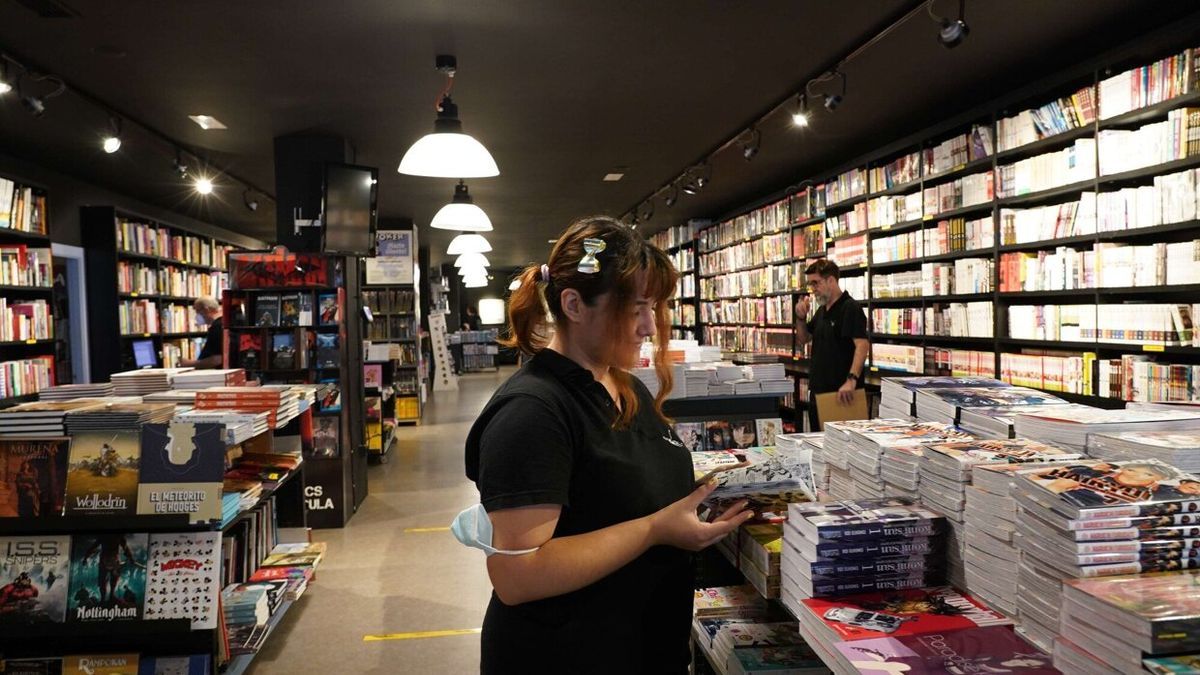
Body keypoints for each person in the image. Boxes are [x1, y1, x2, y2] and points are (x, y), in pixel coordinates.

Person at [462, 216, 753, 674]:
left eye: (654, 308)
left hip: (640, 645)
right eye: (636, 308)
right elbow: (517, 575)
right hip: (564, 655)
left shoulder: (623, 388)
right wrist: (656, 528)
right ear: (574, 305)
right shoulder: (532, 412)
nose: (648, 328)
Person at [794, 259, 869, 431]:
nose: (813, 289)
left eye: (816, 283)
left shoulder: (850, 308)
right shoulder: (822, 311)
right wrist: (800, 318)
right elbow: (803, 339)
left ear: (831, 281)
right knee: (819, 446)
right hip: (819, 393)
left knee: (840, 450)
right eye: (810, 284)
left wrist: (851, 380)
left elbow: (862, 345)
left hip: (842, 394)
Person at [181, 296, 223, 369]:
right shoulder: (221, 324)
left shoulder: (217, 327)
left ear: (206, 310)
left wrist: (190, 363)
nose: (197, 316)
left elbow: (218, 359)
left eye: (197, 311)